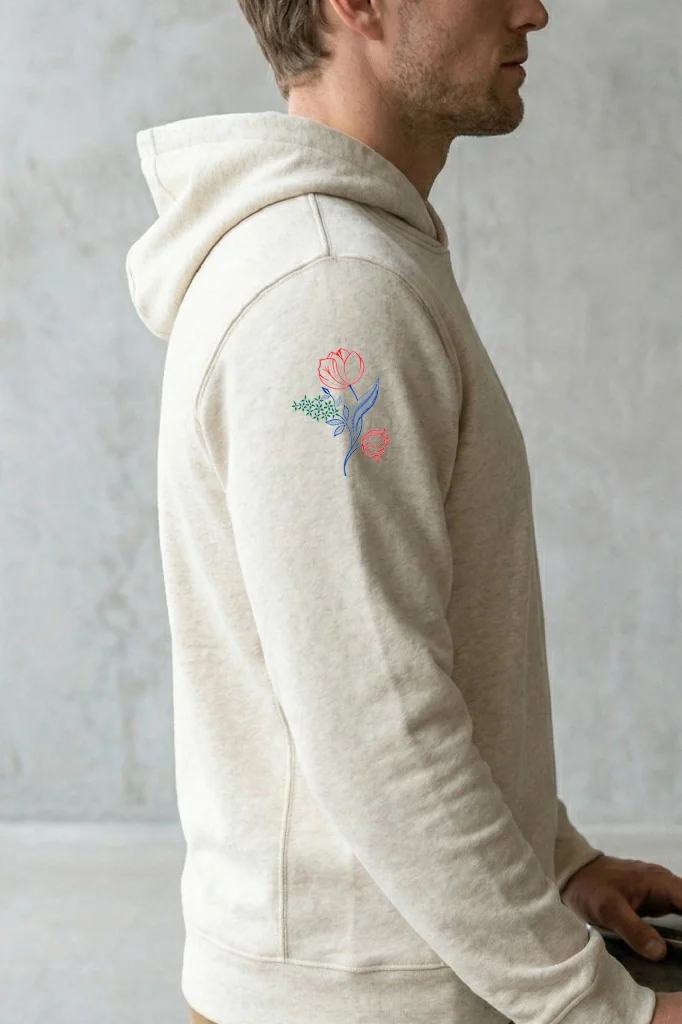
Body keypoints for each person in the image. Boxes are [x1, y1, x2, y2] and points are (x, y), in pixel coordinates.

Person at [125, 0, 682, 1021]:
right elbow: (377, 724)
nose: (533, 10)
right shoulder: (329, 289)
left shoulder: (354, 257)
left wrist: (553, 860)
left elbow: (395, 658)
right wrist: (600, 1008)